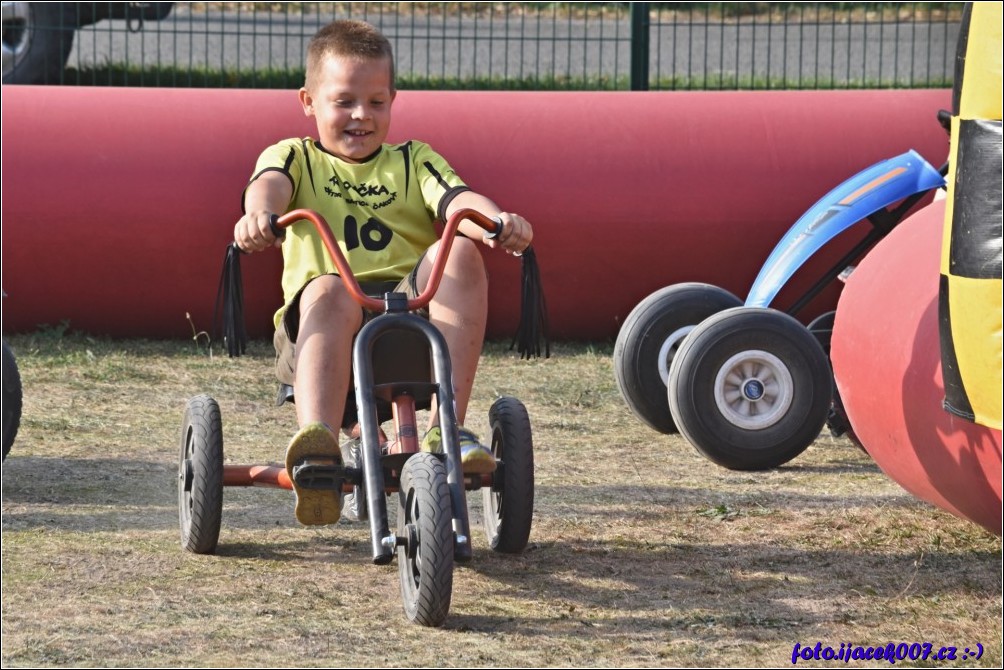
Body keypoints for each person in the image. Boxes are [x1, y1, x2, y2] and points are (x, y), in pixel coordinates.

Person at [233, 19, 533, 526]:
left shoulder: (414, 160)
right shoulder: (297, 157)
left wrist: (493, 223)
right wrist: (258, 215)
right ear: (308, 102)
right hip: (320, 324)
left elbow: (457, 199)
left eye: (376, 102)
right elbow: (269, 185)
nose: (360, 116)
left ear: (394, 99)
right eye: (344, 101)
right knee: (330, 285)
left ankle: (443, 430)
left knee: (457, 248)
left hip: (406, 321)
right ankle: (319, 447)